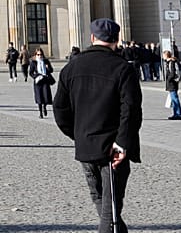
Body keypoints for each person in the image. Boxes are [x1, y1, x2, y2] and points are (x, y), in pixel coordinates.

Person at [55, 18, 141, 233]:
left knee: (101, 200)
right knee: (109, 207)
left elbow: (60, 110)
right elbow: (130, 110)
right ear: (116, 39)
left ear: (92, 38)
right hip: (113, 149)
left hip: (86, 146)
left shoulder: (71, 67)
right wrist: (121, 143)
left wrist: (79, 135)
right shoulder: (123, 68)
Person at [28, 48, 54, 118]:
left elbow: (51, 70)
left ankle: (44, 107)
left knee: (46, 96)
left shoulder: (46, 61)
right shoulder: (33, 62)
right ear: (36, 55)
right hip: (38, 81)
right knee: (39, 97)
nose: (40, 56)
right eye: (38, 54)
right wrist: (35, 76)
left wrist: (48, 67)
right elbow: (30, 73)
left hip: (45, 80)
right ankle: (40, 113)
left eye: (41, 54)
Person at [163, 49, 181, 120]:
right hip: (173, 82)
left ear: (166, 55)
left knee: (174, 99)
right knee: (173, 99)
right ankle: (176, 113)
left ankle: (178, 114)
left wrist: (168, 79)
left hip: (172, 83)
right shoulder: (170, 62)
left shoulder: (171, 62)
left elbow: (172, 73)